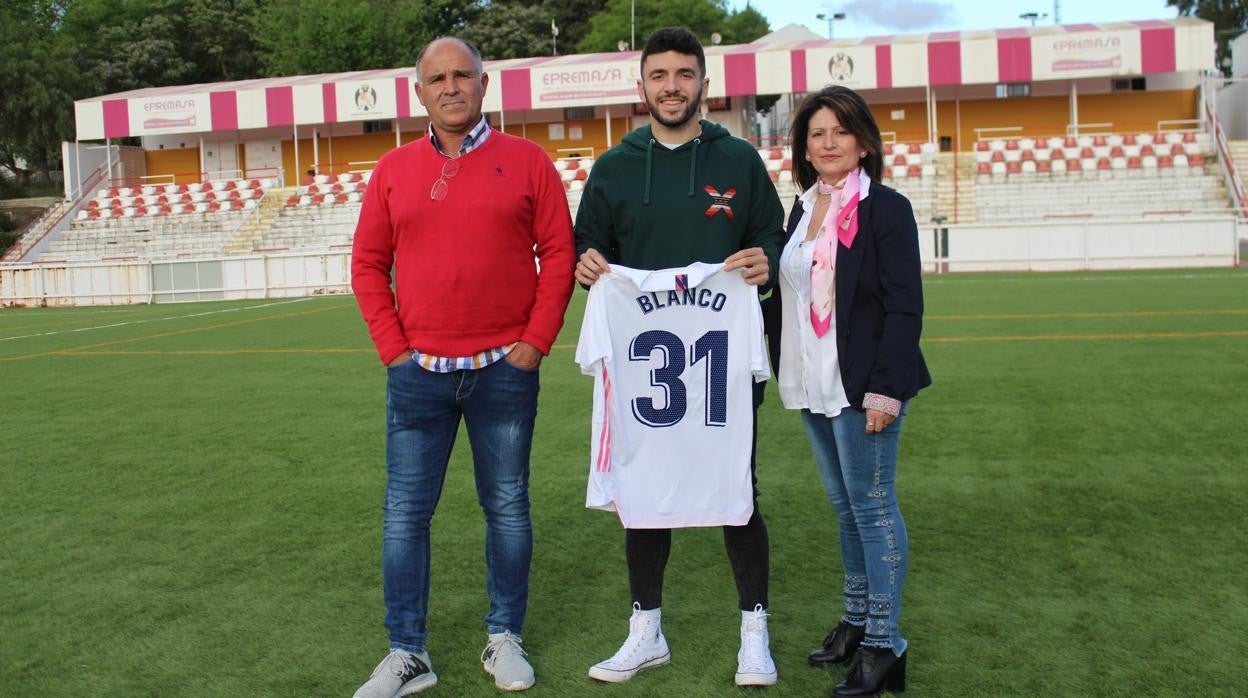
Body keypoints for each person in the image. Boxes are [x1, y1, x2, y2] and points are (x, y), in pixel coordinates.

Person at [349, 37, 575, 696]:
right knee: (404, 515)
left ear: (484, 82)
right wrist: (394, 350)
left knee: (506, 507)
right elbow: (367, 264)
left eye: (462, 75)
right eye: (437, 78)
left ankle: (504, 637)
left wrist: (534, 343)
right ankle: (407, 653)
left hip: (504, 370)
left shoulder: (528, 161)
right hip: (417, 374)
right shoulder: (393, 170)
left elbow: (559, 254)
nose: (451, 87)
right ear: (419, 92)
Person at [573, 26, 786, 688]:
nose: (672, 87)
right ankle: (647, 631)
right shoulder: (614, 167)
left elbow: (772, 236)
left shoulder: (739, 160)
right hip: (646, 368)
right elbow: (587, 247)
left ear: (704, 84)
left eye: (684, 74)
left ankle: (754, 632)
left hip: (720, 363)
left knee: (737, 489)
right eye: (659, 75)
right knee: (644, 492)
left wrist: (766, 260)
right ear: (641, 86)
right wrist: (587, 265)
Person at [770, 85, 931, 697]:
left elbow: (905, 307)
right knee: (846, 507)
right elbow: (788, 293)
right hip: (813, 379)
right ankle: (858, 621)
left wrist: (886, 390)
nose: (828, 142)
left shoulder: (886, 208)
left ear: (863, 142)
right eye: (817, 133)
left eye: (841, 131)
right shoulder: (800, 209)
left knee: (873, 505)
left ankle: (885, 643)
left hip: (865, 384)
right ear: (804, 147)